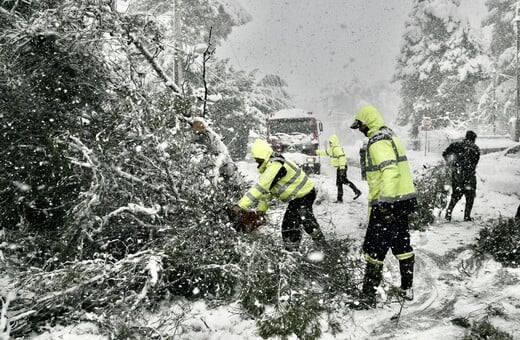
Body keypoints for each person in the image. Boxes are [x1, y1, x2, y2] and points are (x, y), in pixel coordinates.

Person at [350, 104, 418, 308]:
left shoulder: (377, 141)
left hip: (389, 204)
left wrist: (385, 202)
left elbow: (390, 171)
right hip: (403, 201)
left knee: (373, 251)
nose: (359, 130)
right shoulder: (391, 136)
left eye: (360, 125)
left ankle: (367, 297)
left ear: (366, 123)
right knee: (401, 245)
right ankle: (407, 288)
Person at [232, 139, 328, 251]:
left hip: (304, 194)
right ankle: (297, 249)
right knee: (292, 224)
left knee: (300, 221)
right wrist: (261, 210)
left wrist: (240, 206)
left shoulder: (275, 165)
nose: (256, 161)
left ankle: (318, 247)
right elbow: (267, 191)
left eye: (257, 158)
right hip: (298, 197)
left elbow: (260, 187)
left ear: (263, 155)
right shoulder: (270, 166)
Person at [442, 130, 481, 222]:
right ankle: (467, 216)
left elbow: (444, 154)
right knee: (470, 195)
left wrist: (451, 162)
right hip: (469, 175)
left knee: (456, 194)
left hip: (457, 173)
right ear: (474, 139)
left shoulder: (456, 145)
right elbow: (475, 163)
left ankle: (449, 212)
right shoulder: (476, 149)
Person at [316, 134, 361, 202]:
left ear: (334, 141)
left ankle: (357, 192)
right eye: (329, 142)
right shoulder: (332, 149)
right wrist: (316, 152)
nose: (330, 143)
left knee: (344, 181)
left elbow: (342, 158)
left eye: (331, 142)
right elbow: (325, 152)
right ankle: (340, 199)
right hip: (339, 168)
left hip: (342, 167)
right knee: (339, 183)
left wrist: (342, 168)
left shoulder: (337, 149)